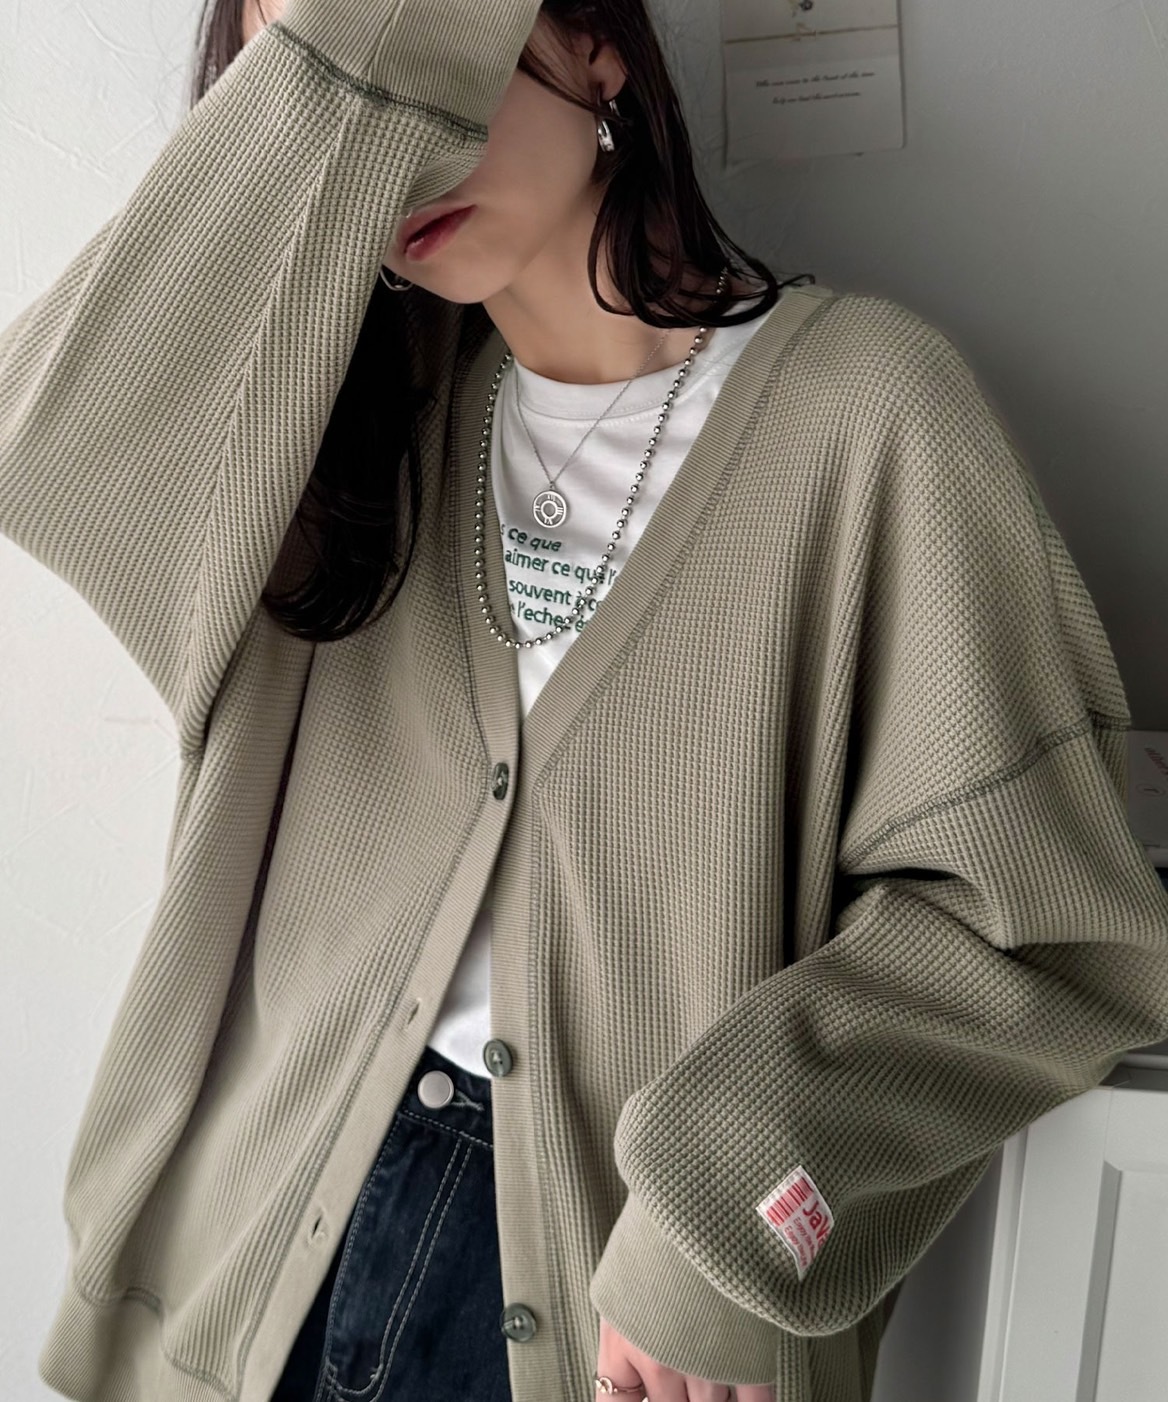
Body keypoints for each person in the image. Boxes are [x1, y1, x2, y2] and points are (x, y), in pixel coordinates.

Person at [4, 0, 1168, 1399]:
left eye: (421, 52)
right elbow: (52, 449)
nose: (399, 153)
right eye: (331, 88)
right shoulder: (332, 445)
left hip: (619, 1315)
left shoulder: (869, 418)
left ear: (597, 45)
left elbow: (1049, 929)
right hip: (257, 1280)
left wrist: (724, 1210)